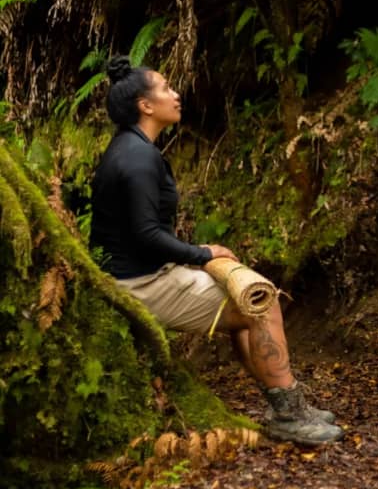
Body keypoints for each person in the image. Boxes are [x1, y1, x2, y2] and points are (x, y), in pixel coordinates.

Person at [90, 55, 343, 446]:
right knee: (261, 302)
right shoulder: (138, 158)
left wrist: (198, 254)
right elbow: (145, 235)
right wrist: (203, 254)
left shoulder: (129, 148)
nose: (176, 95)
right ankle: (290, 416)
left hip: (137, 274)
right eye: (166, 88)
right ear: (145, 105)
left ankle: (287, 405)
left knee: (247, 303)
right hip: (139, 285)